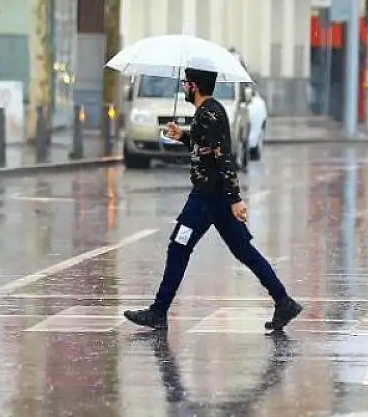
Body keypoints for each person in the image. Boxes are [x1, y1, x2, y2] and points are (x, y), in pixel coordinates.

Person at [123, 64, 302, 331]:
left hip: (207, 197)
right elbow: (205, 149)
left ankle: (158, 312)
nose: (184, 87)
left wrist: (235, 198)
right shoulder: (209, 111)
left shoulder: (209, 114)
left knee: (179, 246)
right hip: (215, 197)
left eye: (186, 83)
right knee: (243, 250)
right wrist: (183, 137)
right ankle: (283, 301)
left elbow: (223, 157)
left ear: (195, 86)